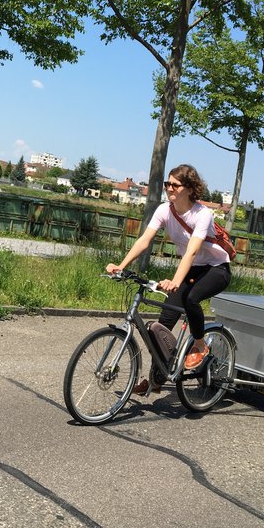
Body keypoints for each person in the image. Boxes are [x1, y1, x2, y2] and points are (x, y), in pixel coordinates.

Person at [105, 164, 231, 395]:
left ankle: (200, 346)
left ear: (190, 188)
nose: (169, 188)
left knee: (192, 299)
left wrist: (174, 281)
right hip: (191, 269)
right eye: (167, 184)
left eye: (175, 185)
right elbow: (145, 240)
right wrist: (121, 266)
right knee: (162, 324)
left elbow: (192, 251)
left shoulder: (202, 214)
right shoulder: (165, 210)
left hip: (216, 269)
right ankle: (156, 380)